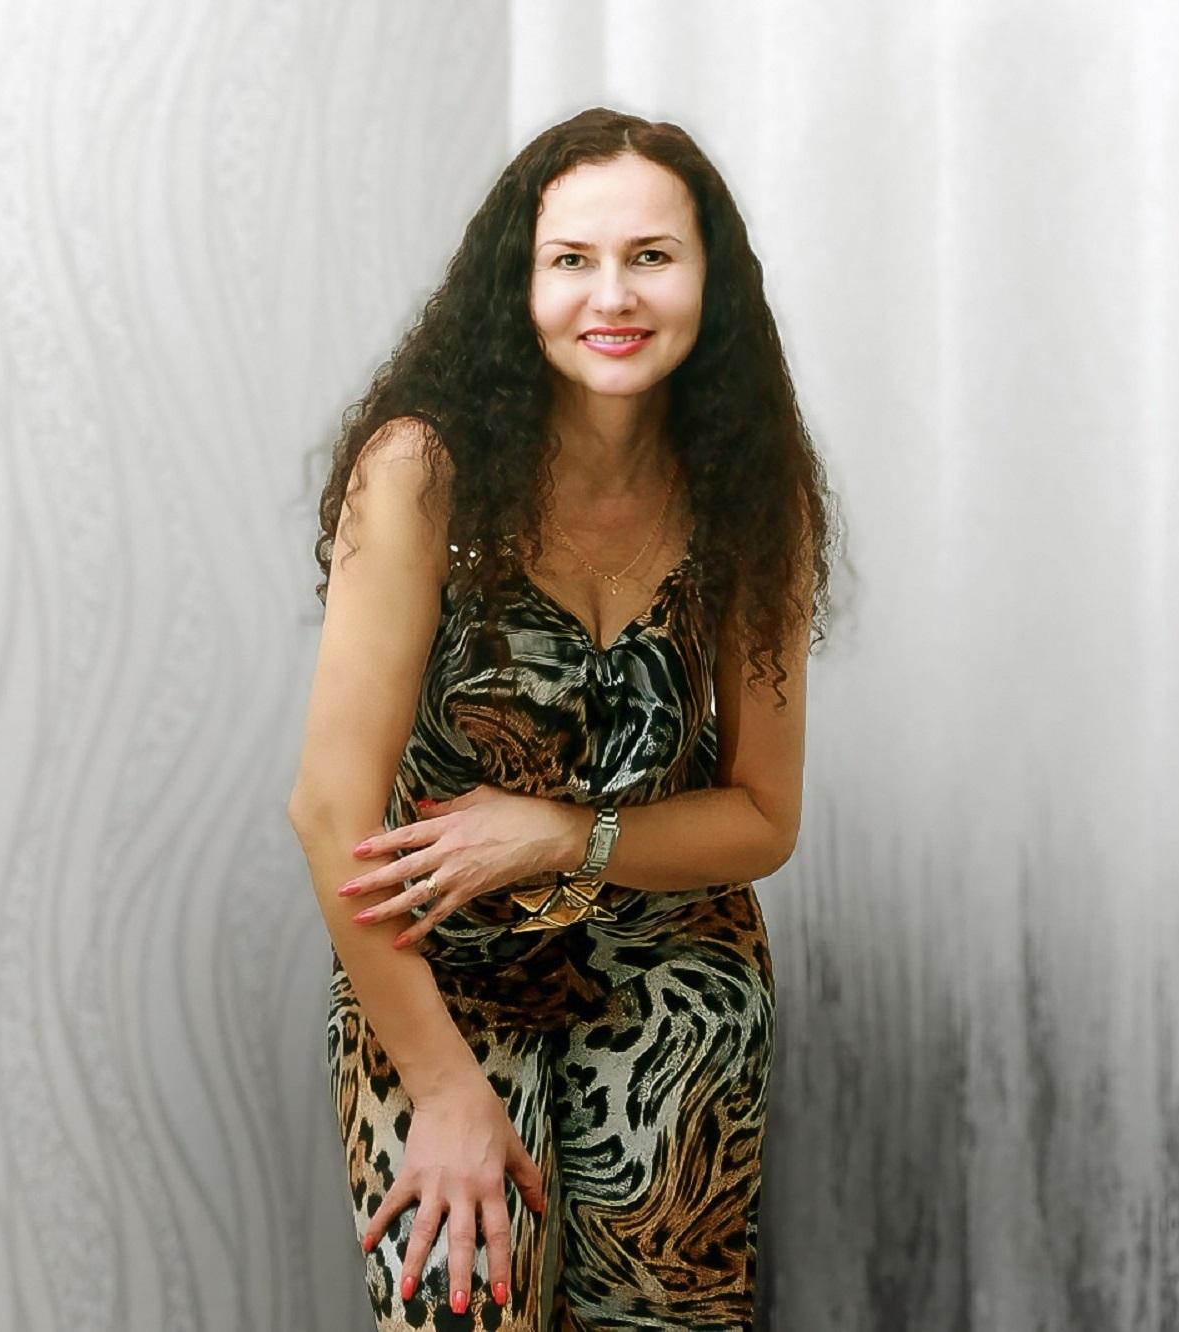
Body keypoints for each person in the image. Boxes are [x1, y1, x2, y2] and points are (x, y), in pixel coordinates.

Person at [287, 105, 835, 1331]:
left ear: (708, 282)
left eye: (651, 256)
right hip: (439, 975)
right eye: (572, 259)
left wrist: (561, 834)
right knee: (463, 1310)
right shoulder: (421, 470)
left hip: (674, 971)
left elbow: (762, 820)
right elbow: (327, 811)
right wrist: (442, 1090)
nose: (613, 294)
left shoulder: (750, 491)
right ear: (519, 284)